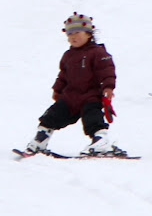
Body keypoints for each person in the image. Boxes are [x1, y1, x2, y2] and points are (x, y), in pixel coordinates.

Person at [22, 12, 118, 156]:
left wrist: (108, 87)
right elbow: (63, 75)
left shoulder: (98, 53)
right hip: (70, 97)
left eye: (77, 32)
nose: (73, 37)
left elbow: (107, 71)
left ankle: (101, 141)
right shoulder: (68, 56)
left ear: (88, 33)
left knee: (92, 119)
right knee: (51, 116)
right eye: (69, 33)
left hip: (90, 96)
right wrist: (57, 90)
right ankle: (40, 140)